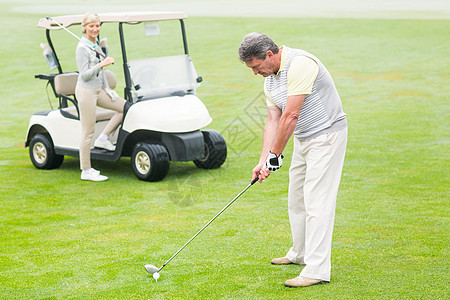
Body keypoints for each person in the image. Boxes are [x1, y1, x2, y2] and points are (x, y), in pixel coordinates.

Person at [238, 33, 347, 287]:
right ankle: (300, 253)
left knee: (317, 202)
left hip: (327, 136)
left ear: (269, 55)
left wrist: (275, 156)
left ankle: (317, 269)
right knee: (296, 198)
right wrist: (263, 159)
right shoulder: (270, 82)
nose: (255, 73)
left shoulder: (300, 64)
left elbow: (291, 116)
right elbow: (272, 121)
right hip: (303, 138)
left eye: (255, 66)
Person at [75, 12, 127, 182]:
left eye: (97, 26)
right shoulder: (82, 48)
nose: (95, 29)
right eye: (91, 26)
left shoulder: (95, 43)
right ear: (84, 28)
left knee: (125, 107)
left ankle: (104, 137)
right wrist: (101, 64)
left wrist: (108, 89)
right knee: (87, 131)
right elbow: (84, 75)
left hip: (99, 90)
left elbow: (101, 74)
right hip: (86, 92)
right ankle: (86, 170)